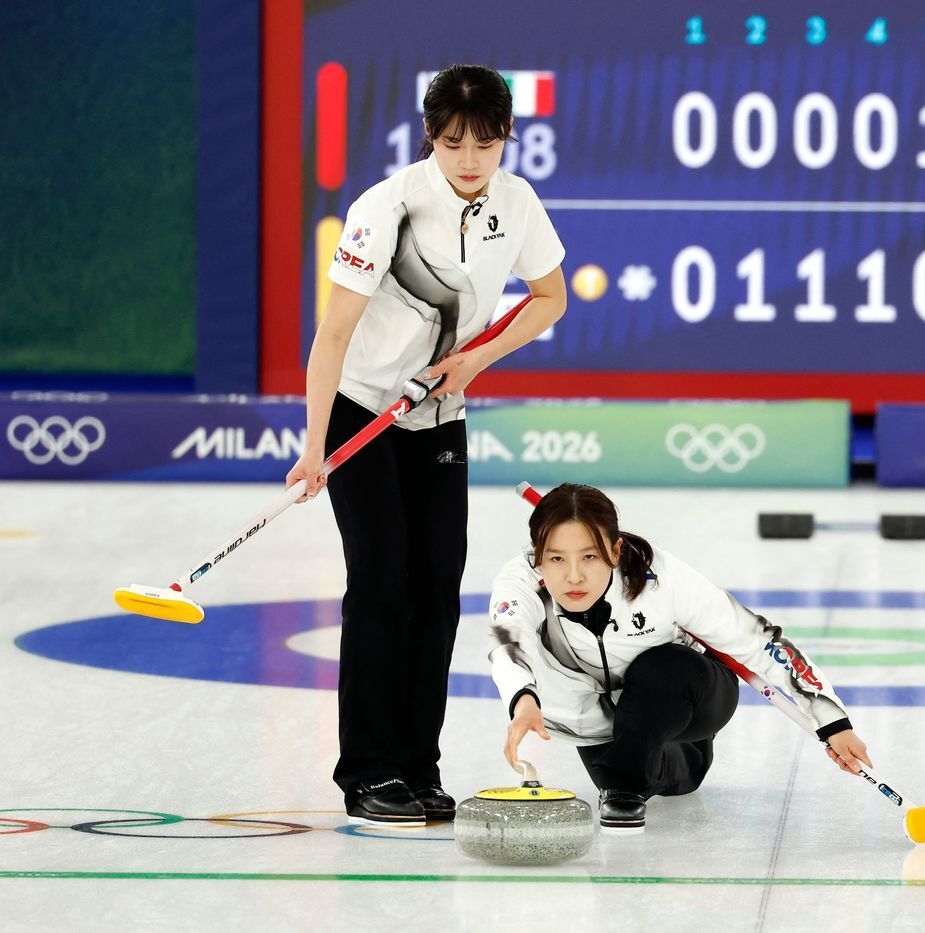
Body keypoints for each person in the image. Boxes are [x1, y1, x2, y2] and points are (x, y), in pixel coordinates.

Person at [284, 64, 567, 826]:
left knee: (438, 586)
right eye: (452, 143)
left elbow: (551, 298)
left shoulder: (517, 203)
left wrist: (474, 362)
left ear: (508, 138)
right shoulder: (387, 209)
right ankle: (369, 770)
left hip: (439, 416)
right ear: (430, 139)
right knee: (381, 583)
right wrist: (315, 447)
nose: (469, 159)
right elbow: (333, 334)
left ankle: (418, 765)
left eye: (484, 142)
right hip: (362, 413)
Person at [485, 483, 873, 832]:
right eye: (556, 559)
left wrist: (832, 721)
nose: (573, 577)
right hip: (602, 719)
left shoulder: (660, 578)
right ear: (537, 557)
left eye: (589, 557)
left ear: (616, 551)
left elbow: (758, 641)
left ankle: (626, 784)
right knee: (643, 773)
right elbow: (509, 640)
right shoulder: (519, 583)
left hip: (689, 692)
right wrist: (524, 699)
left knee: (661, 669)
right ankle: (633, 770)